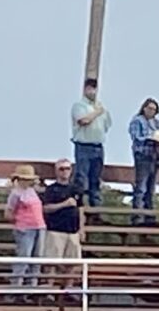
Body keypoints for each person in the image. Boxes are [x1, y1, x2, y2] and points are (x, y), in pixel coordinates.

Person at [70, 77, 112, 211]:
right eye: (89, 88)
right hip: (83, 145)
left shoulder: (101, 107)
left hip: (98, 146)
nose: (92, 91)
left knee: (95, 179)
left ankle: (95, 210)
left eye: (94, 88)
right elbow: (83, 121)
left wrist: (100, 112)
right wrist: (97, 113)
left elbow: (107, 125)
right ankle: (81, 208)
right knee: (82, 178)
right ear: (85, 89)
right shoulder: (79, 106)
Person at [128, 97, 159, 226]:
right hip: (143, 156)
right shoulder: (137, 121)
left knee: (151, 188)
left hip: (155, 157)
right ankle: (138, 217)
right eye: (149, 108)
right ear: (144, 108)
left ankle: (149, 216)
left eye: (154, 109)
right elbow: (136, 137)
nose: (151, 111)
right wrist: (151, 138)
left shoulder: (158, 124)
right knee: (141, 188)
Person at [40, 158, 83, 274]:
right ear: (56, 171)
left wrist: (81, 229)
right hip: (56, 231)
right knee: (52, 263)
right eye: (61, 169)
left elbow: (80, 209)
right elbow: (46, 208)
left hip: (73, 231)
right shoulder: (51, 189)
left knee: (72, 263)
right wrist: (64, 204)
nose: (65, 171)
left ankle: (68, 289)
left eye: (67, 168)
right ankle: (49, 289)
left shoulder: (76, 188)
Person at [6, 164, 46, 286]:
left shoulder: (32, 191)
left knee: (37, 257)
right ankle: (17, 285)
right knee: (24, 256)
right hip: (25, 228)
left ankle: (32, 285)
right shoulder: (15, 193)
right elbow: (9, 212)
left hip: (39, 226)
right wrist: (19, 221)